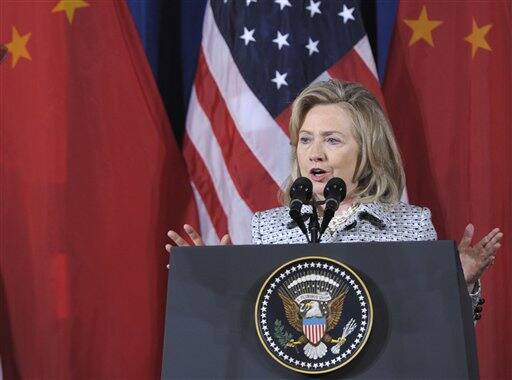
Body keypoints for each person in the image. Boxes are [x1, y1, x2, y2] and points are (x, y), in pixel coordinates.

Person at [166, 80, 502, 318]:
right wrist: (221, 280)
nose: (315, 154)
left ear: (368, 151)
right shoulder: (268, 227)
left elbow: (438, 325)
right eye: (306, 139)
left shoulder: (409, 224)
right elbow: (260, 322)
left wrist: (462, 283)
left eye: (332, 140)